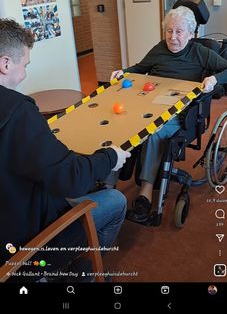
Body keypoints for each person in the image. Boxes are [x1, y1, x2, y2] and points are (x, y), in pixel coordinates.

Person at [0, 18, 131, 281]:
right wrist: (111, 157)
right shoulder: (18, 111)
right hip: (22, 248)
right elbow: (71, 179)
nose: (24, 74)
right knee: (116, 200)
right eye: (24, 65)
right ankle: (71, 273)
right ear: (5, 64)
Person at [108, 5, 227, 224]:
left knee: (154, 132)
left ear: (189, 33)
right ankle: (107, 186)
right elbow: (140, 68)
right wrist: (124, 72)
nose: (173, 37)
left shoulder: (200, 52)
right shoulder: (159, 49)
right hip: (148, 105)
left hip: (180, 113)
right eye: (169, 31)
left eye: (179, 32)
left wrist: (214, 79)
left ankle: (145, 195)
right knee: (121, 124)